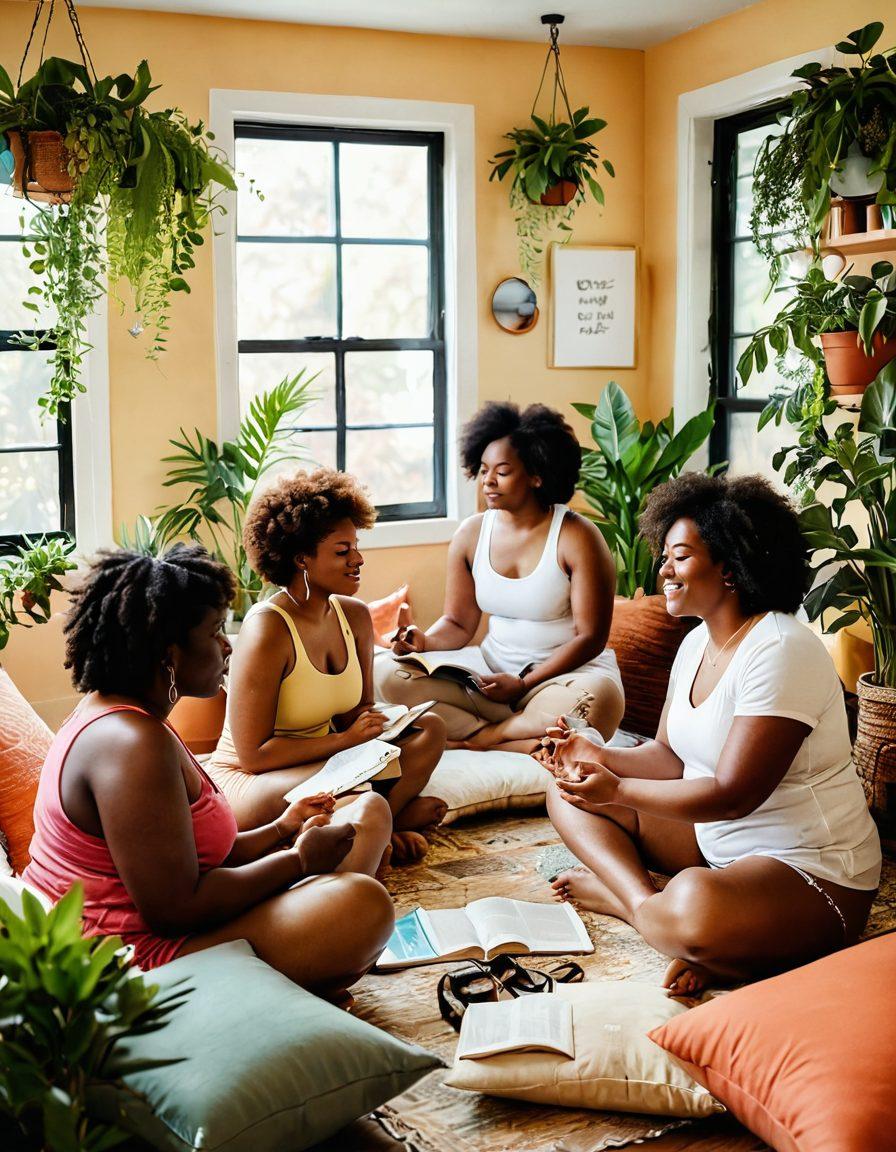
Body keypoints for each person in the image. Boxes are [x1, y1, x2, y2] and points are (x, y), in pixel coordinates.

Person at [545, 473, 882, 994]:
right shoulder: (697, 642)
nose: (664, 569)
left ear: (730, 567)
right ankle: (645, 904)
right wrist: (597, 755)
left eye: (680, 556)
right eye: (665, 555)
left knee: (696, 902)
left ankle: (642, 912)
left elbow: (734, 794)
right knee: (564, 789)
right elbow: (666, 756)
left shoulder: (781, 649)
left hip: (813, 874)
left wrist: (616, 787)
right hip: (712, 844)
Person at [24, 546, 394, 999]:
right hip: (132, 965)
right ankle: (301, 979)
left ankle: (305, 975)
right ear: (169, 653)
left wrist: (284, 827)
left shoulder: (136, 720)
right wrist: (298, 860)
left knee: (367, 814)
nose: (227, 646)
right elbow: (176, 909)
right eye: (215, 631)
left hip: (169, 928)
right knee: (362, 905)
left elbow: (196, 860)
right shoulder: (132, 746)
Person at [207, 468, 447, 862]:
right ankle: (373, 828)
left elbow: (356, 714)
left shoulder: (354, 616)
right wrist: (347, 742)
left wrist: (382, 725)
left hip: (328, 763)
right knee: (358, 797)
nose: (358, 559)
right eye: (342, 550)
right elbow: (253, 755)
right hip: (252, 780)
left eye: (355, 545)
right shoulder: (267, 627)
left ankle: (379, 824)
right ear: (301, 558)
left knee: (430, 731)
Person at [376, 402, 624, 750]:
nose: (487, 481)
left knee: (596, 702)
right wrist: (424, 642)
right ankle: (521, 736)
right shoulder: (471, 534)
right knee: (386, 675)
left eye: (503, 471)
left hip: (562, 681)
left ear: (537, 475)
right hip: (490, 684)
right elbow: (459, 623)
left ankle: (483, 737)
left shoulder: (577, 537)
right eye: (483, 469)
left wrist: (524, 685)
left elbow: (590, 637)